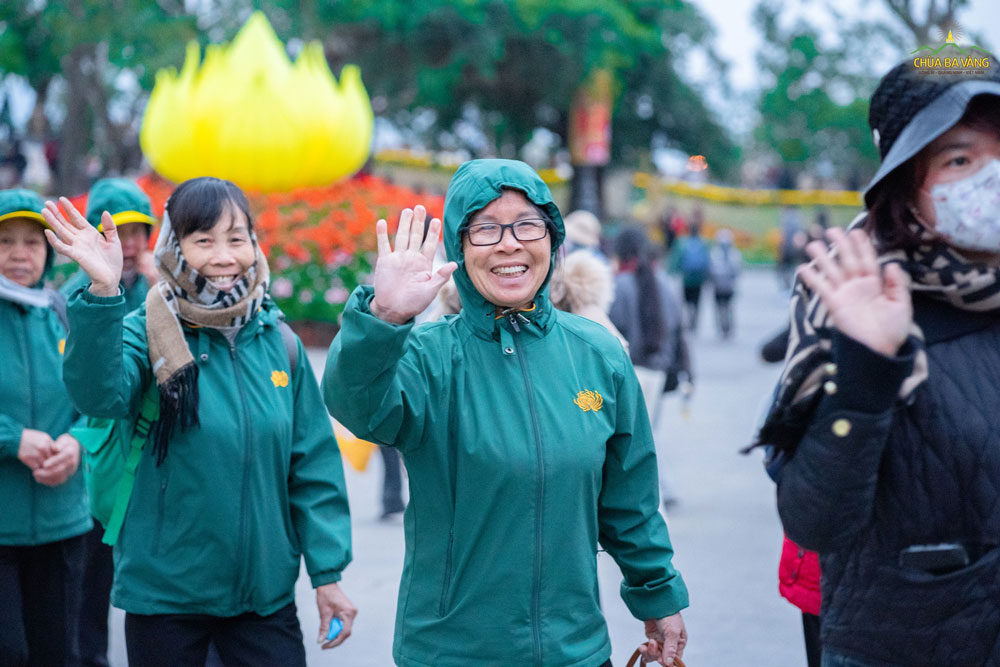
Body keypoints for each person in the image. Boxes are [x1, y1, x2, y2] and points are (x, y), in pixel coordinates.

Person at [323, 159, 689, 667]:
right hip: (453, 653)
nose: (510, 243)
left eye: (527, 224)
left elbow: (630, 497)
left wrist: (659, 597)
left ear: (552, 236)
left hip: (576, 650)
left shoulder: (598, 353)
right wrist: (385, 317)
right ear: (458, 245)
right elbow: (355, 405)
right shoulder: (428, 357)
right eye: (485, 228)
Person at [44, 176, 356, 667]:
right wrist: (103, 292)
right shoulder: (144, 330)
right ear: (176, 246)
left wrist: (327, 573)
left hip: (263, 599)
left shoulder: (280, 343)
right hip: (167, 601)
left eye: (236, 238)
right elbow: (98, 394)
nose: (224, 256)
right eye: (204, 239)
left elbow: (311, 466)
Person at [756, 59, 1000, 665]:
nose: (992, 180)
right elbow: (817, 522)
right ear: (906, 187)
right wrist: (866, 368)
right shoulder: (854, 301)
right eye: (960, 161)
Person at [60, 177, 159, 667]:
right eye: (120, 230)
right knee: (88, 578)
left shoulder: (157, 287)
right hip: (88, 458)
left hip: (137, 456)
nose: (133, 242)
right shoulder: (73, 296)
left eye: (140, 230)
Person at [0, 188, 90, 666]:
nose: (19, 254)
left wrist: (76, 444)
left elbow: (97, 398)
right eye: (6, 241)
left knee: (58, 652)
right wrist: (12, 438)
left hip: (62, 524)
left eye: (32, 242)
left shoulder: (62, 313)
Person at [609, 227, 692, 509]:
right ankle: (663, 488)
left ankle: (657, 492)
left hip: (631, 369)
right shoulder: (664, 283)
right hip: (658, 370)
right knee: (647, 432)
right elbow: (679, 331)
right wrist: (685, 371)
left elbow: (612, 330)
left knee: (636, 437)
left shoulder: (621, 285)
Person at [62, 177, 159, 314]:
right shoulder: (74, 298)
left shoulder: (153, 284)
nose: (129, 243)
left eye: (136, 231)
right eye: (117, 233)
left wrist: (161, 291)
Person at [671, 209, 709, 332]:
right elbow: (708, 261)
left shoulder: (683, 242)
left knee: (686, 301)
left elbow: (677, 259)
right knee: (696, 301)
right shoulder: (703, 243)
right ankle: (694, 322)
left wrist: (673, 271)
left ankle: (688, 320)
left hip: (687, 278)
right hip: (699, 278)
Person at [708, 228, 742, 339]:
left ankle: (723, 327)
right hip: (729, 286)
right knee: (728, 308)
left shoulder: (714, 253)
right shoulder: (734, 254)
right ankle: (727, 327)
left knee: (720, 308)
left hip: (718, 286)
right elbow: (737, 271)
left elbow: (710, 270)